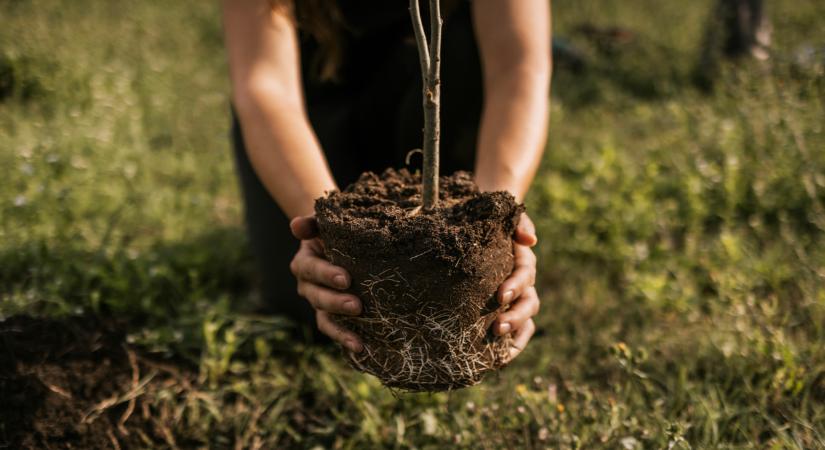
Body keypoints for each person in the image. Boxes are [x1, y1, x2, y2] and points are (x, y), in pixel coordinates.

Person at [222, 0, 550, 362]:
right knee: (308, 302)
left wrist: (497, 219)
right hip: (312, 102)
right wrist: (326, 229)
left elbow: (517, 67)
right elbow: (265, 85)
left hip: (434, 93)